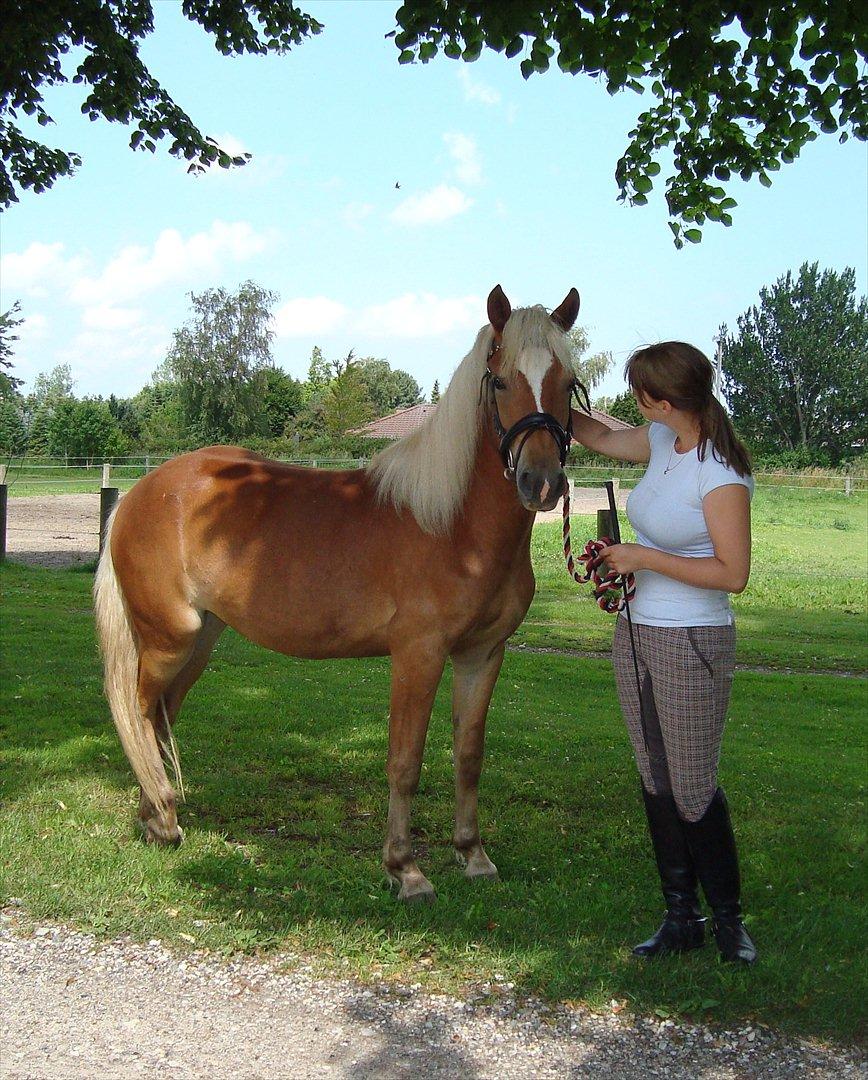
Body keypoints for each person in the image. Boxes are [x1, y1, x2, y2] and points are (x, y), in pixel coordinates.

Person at [571, 342, 757, 964]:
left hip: (693, 641)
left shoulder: (718, 472)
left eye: (640, 393)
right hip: (636, 631)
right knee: (655, 774)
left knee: (693, 780)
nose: (634, 401)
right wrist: (546, 392)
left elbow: (734, 574)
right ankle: (681, 916)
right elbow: (597, 435)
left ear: (666, 400)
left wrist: (641, 558)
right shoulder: (660, 442)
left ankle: (730, 924)